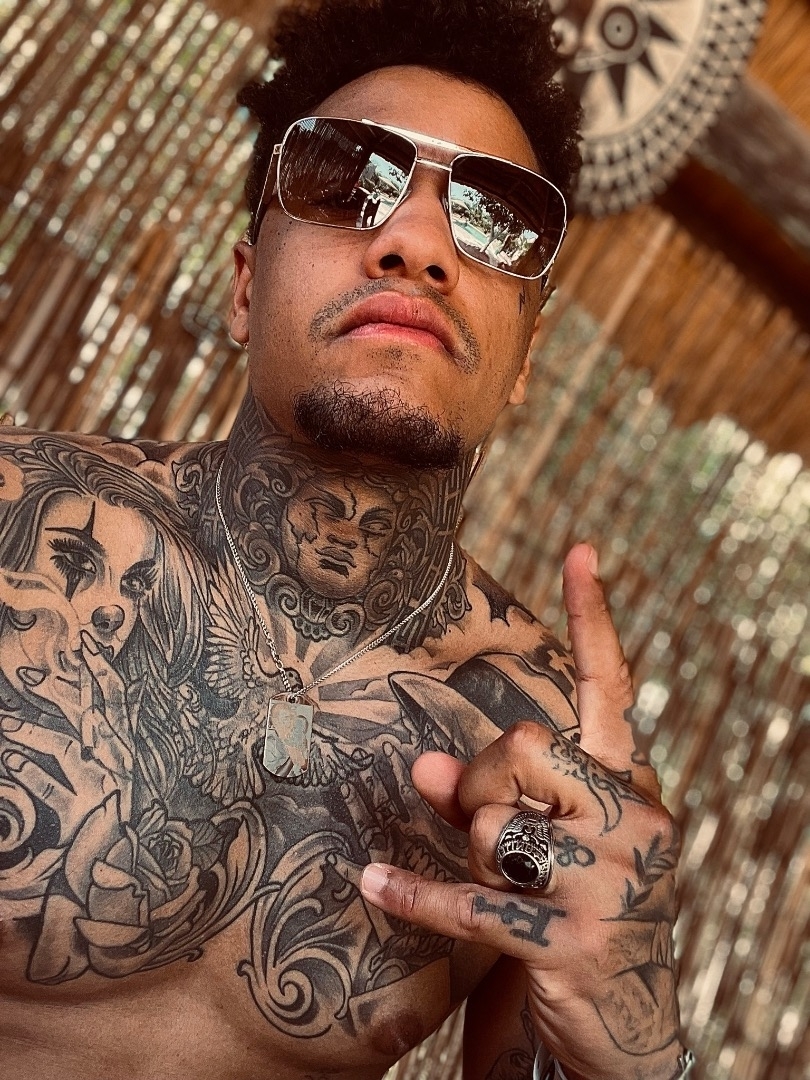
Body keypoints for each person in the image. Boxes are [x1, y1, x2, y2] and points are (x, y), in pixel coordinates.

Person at [0, 0, 691, 1077]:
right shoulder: (21, 533)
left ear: (523, 362)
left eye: (491, 216)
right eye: (344, 179)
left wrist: (631, 1048)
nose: (418, 243)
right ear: (245, 287)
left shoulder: (558, 766)